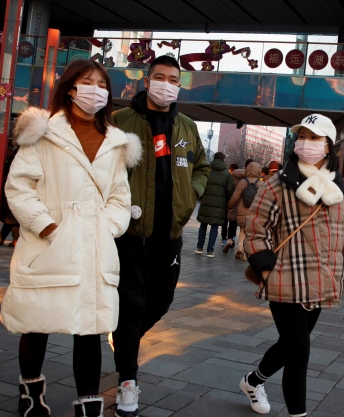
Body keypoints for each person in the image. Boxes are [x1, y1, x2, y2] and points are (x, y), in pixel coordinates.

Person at [0, 59, 142, 417]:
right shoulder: (43, 131)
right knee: (37, 321)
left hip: (95, 247)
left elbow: (120, 197)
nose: (95, 89)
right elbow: (19, 186)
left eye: (101, 84)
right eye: (86, 81)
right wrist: (49, 227)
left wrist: (107, 229)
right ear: (70, 88)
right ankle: (30, 395)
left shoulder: (116, 142)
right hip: (48, 243)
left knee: (90, 328)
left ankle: (89, 404)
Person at [240, 114, 344, 417]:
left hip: (322, 280)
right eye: (302, 136)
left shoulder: (338, 189)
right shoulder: (276, 184)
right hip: (284, 280)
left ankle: (252, 382)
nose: (306, 143)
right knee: (299, 352)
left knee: (290, 346)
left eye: (314, 138)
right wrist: (265, 269)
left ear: (328, 146)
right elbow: (255, 229)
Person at [111, 55, 210, 417]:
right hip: (132, 234)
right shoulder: (121, 121)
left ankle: (124, 339)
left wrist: (193, 194)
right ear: (147, 80)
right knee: (132, 304)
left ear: (179, 85)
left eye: (173, 79)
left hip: (170, 235)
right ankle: (127, 381)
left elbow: (202, 165)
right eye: (159, 77)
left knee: (161, 301)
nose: (165, 84)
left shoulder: (186, 126)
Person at [195, 152, 235, 257]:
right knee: (214, 227)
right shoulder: (227, 175)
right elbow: (230, 191)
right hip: (219, 204)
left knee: (203, 225)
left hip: (206, 202)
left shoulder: (207, 171)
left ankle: (199, 247)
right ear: (223, 160)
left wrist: (201, 197)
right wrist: (227, 202)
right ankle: (210, 250)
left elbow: (200, 183)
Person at [227, 161, 262, 261]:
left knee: (242, 229)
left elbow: (235, 196)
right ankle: (246, 254)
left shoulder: (243, 181)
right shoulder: (261, 183)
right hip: (255, 211)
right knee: (250, 233)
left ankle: (239, 247)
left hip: (242, 209)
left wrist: (230, 205)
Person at [0, 146, 20, 247]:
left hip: (12, 189)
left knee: (11, 217)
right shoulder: (20, 157)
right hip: (16, 189)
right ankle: (4, 237)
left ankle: (13, 238)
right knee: (10, 216)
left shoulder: (16, 157)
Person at [222, 163, 241, 251]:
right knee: (234, 223)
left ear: (231, 170)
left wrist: (229, 205)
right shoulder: (243, 179)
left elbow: (229, 191)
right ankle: (233, 240)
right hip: (240, 205)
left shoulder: (229, 177)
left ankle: (225, 239)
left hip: (229, 201)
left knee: (226, 221)